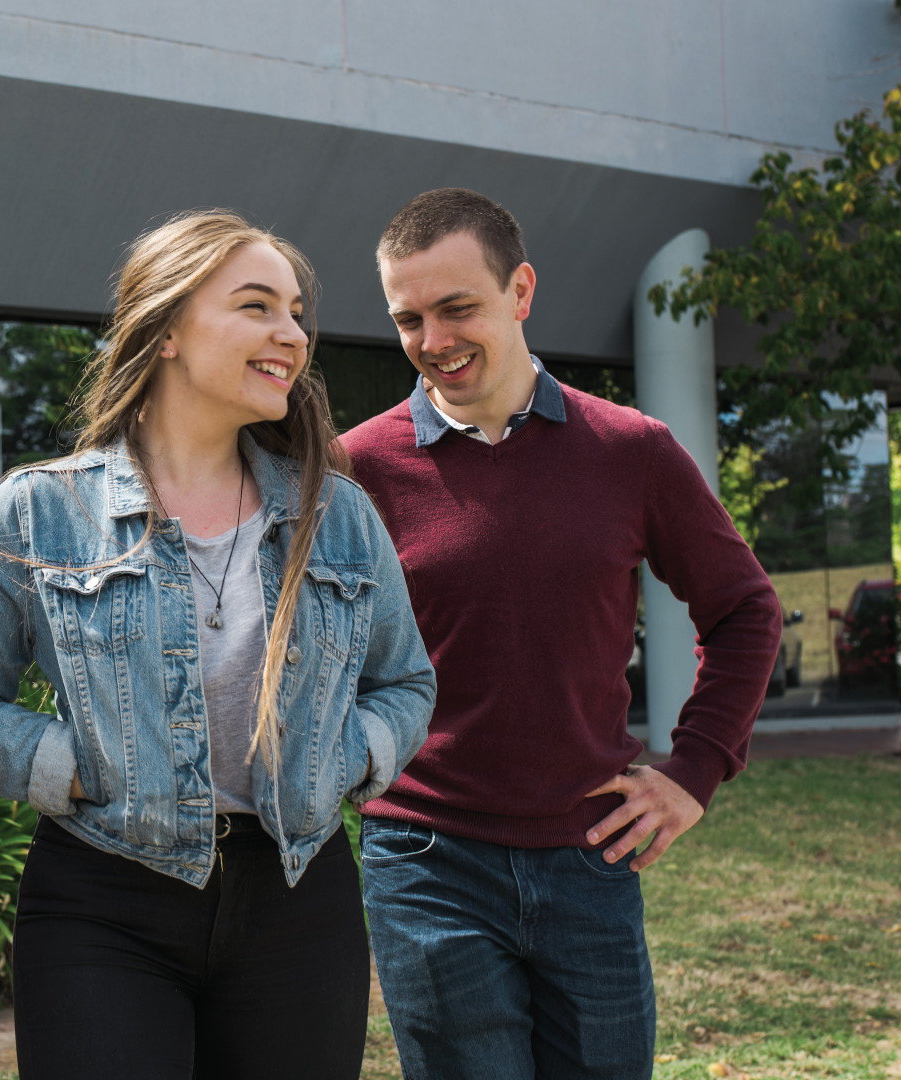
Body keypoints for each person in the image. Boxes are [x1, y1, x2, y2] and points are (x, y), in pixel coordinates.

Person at [0, 210, 436, 1079]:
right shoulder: (42, 510)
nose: (292, 334)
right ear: (165, 332)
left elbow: (406, 682)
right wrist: (73, 765)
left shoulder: (334, 513)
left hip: (300, 900)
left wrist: (342, 758)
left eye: (296, 312)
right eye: (257, 306)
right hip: (102, 901)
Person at [339, 188, 781, 1079]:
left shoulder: (631, 450)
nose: (435, 340)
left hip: (590, 857)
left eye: (458, 307)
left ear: (521, 291)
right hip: (427, 862)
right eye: (409, 318)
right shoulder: (357, 469)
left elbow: (744, 610)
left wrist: (694, 769)